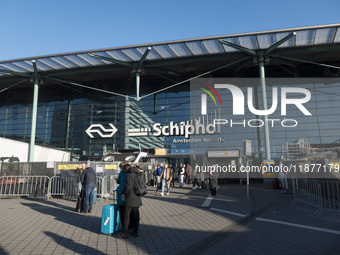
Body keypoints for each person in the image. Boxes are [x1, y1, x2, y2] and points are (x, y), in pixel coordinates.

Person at [116, 165, 142, 239]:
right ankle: (135, 231)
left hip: (130, 198)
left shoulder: (129, 175)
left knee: (126, 216)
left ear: (127, 169)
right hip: (137, 198)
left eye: (124, 169)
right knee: (136, 215)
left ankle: (125, 233)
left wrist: (123, 192)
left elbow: (129, 187)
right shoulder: (138, 174)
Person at [116, 161, 129, 227]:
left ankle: (125, 227)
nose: (121, 169)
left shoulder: (128, 174)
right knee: (122, 210)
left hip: (124, 193)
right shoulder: (121, 173)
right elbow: (120, 182)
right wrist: (118, 181)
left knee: (124, 212)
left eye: (122, 168)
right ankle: (124, 226)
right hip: (121, 193)